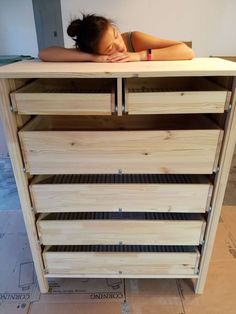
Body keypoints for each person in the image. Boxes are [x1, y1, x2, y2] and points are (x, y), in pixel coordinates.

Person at [38, 13, 195, 62]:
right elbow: (44, 53)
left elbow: (186, 51)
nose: (119, 46)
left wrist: (140, 55)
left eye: (115, 35)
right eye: (109, 48)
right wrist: (91, 57)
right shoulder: (93, 53)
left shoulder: (134, 39)